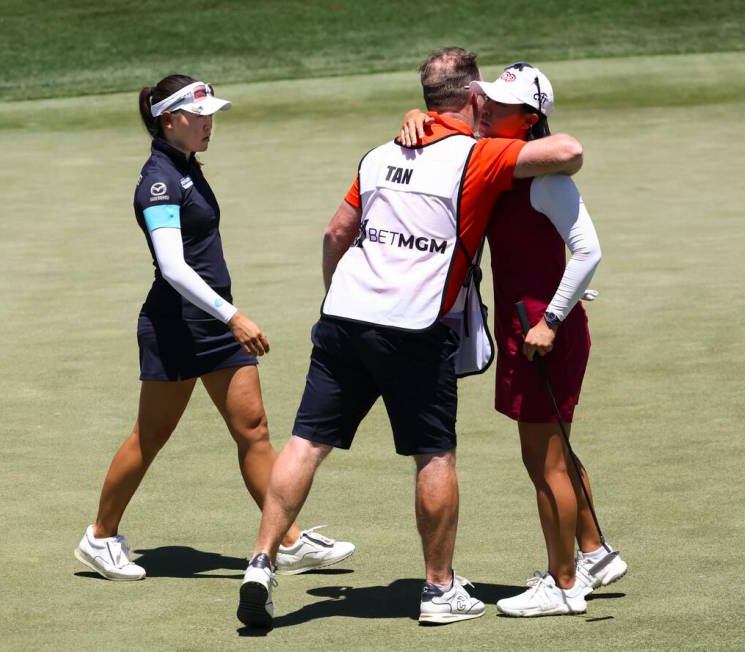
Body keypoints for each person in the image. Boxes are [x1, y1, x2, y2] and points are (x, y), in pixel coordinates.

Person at [235, 48, 586, 629]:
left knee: (305, 443)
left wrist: (340, 296)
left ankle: (261, 560)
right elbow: (568, 151)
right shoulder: (476, 157)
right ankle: (439, 589)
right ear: (474, 99)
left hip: (345, 316)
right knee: (433, 453)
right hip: (416, 329)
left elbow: (336, 233)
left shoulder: (378, 154)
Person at [74, 75, 353, 581]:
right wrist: (233, 315)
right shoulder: (158, 180)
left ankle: (286, 542)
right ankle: (99, 537)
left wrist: (225, 316)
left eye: (211, 115)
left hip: (212, 323)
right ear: (168, 120)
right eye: (198, 116)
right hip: (178, 327)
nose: (209, 124)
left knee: (254, 431)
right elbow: (174, 268)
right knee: (151, 436)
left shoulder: (185, 167)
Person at [401, 63, 628, 617]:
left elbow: (589, 251)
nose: (485, 109)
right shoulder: (503, 163)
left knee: (544, 460)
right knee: (555, 452)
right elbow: (449, 134)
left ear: (527, 120)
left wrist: (551, 319)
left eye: (499, 106)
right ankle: (593, 554)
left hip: (541, 332)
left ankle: (565, 584)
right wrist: (417, 116)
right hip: (528, 326)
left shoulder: (548, 179)